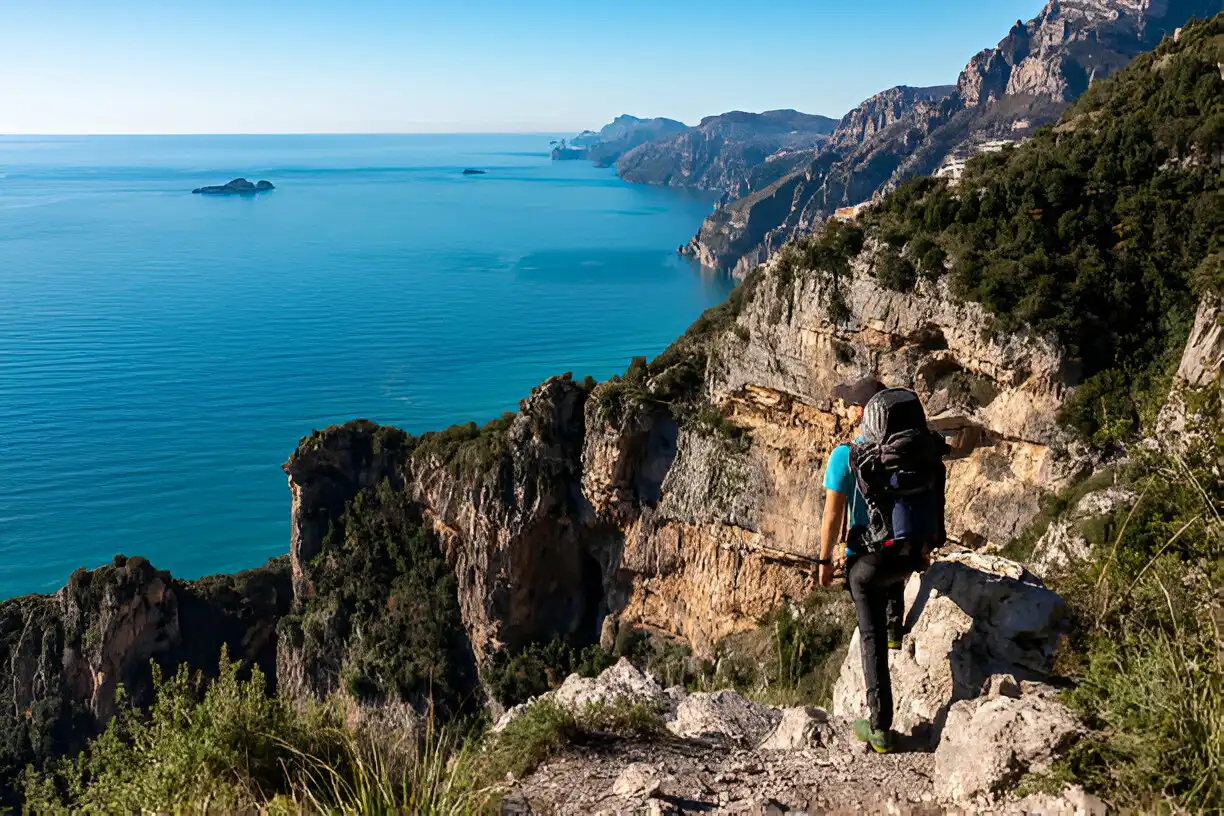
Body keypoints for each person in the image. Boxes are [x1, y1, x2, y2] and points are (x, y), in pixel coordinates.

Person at [818, 377, 978, 754]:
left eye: (850, 405)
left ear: (862, 411)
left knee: (867, 628)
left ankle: (879, 728)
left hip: (870, 564)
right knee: (890, 556)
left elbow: (831, 516)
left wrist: (824, 561)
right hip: (911, 554)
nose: (846, 411)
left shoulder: (847, 455)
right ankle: (896, 630)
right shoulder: (915, 451)